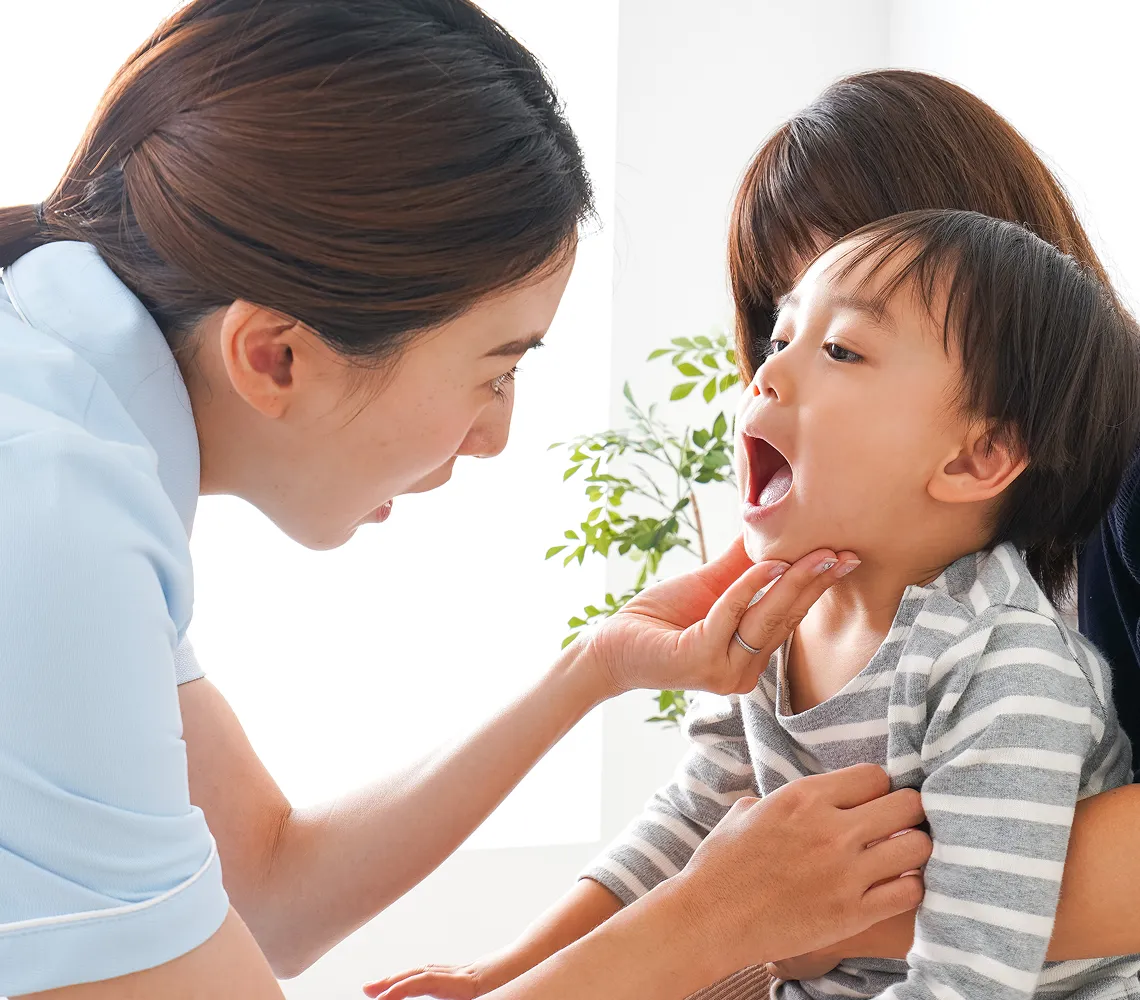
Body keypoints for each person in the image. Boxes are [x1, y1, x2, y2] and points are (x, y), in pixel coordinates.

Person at [0, 4, 935, 998]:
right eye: (496, 370)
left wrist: (596, 666)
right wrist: (709, 922)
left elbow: (267, 891)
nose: (496, 435)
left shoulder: (68, 417)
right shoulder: (55, 529)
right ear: (274, 357)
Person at [361, 69, 1140, 1000]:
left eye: (845, 346)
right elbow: (698, 813)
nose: (771, 374)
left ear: (983, 448)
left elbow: (969, 970)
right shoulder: (791, 603)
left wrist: (777, 922)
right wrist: (508, 972)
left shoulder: (1005, 663)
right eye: (779, 330)